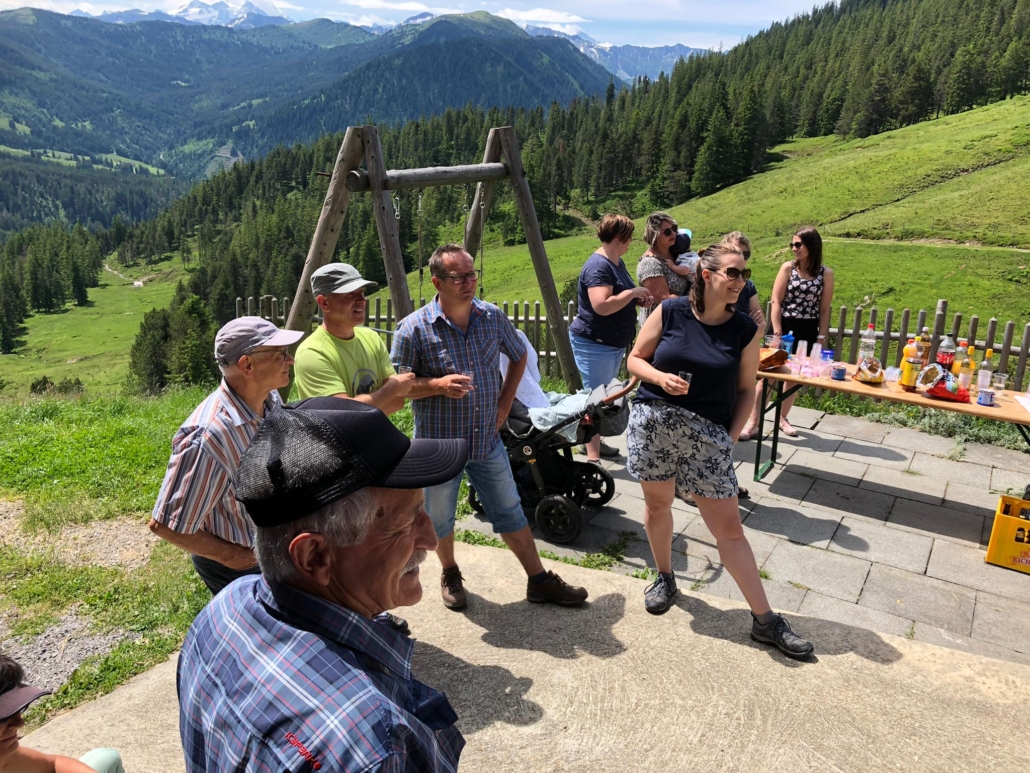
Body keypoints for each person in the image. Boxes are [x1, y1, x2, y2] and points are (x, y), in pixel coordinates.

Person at [178, 399, 469, 772]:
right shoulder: (375, 749)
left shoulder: (223, 611)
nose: (430, 539)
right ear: (315, 557)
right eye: (405, 522)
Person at [625, 243, 814, 658]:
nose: (740, 281)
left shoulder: (744, 329)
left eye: (744, 274)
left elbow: (746, 389)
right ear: (706, 275)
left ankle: (765, 620)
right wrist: (659, 377)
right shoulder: (670, 311)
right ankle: (665, 577)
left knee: (729, 529)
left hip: (707, 434)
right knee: (657, 506)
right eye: (733, 272)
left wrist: (729, 438)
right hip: (653, 423)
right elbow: (635, 360)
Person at [391, 244, 588, 611]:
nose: (469, 282)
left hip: (485, 440)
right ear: (437, 282)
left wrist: (504, 401)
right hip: (439, 448)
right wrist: (436, 385)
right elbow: (399, 388)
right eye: (458, 277)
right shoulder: (413, 328)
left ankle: (539, 580)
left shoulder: (491, 316)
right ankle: (450, 572)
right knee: (439, 519)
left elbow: (519, 354)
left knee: (510, 510)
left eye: (472, 274)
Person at [149, 317, 303, 596]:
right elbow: (166, 525)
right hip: (242, 565)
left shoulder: (271, 399)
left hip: (274, 547)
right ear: (248, 365)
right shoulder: (208, 437)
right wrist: (233, 557)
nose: (290, 360)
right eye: (280, 354)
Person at [568, 214, 651, 462]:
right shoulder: (598, 266)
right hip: (595, 344)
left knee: (603, 398)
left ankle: (591, 444)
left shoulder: (615, 261)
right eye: (629, 237)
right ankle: (592, 458)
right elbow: (601, 305)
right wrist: (632, 293)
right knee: (596, 400)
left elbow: (616, 297)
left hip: (609, 344)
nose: (631, 242)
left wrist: (634, 299)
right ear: (618, 238)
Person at [293, 262, 415, 412]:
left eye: (362, 292)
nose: (362, 300)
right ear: (324, 303)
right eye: (350, 294)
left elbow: (396, 402)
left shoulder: (372, 338)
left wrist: (367, 402)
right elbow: (343, 415)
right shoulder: (311, 353)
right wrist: (391, 389)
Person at [0, 653, 124, 772]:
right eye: (4, 718)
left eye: (18, 709)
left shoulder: (6, 758)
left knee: (106, 758)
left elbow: (53, 765)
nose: (20, 723)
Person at [769, 226, 835, 437]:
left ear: (812, 245)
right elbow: (776, 301)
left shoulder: (826, 274)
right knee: (769, 375)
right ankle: (753, 421)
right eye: (792, 244)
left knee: (794, 376)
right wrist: (777, 333)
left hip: (807, 329)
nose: (794, 248)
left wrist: (821, 337)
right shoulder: (787, 268)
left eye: (798, 244)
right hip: (784, 326)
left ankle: (782, 418)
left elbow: (824, 309)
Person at [636, 212, 690, 320]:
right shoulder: (649, 264)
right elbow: (666, 301)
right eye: (667, 232)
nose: (673, 233)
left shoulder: (676, 253)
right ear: (654, 236)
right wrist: (696, 300)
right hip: (662, 324)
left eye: (674, 228)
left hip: (681, 318)